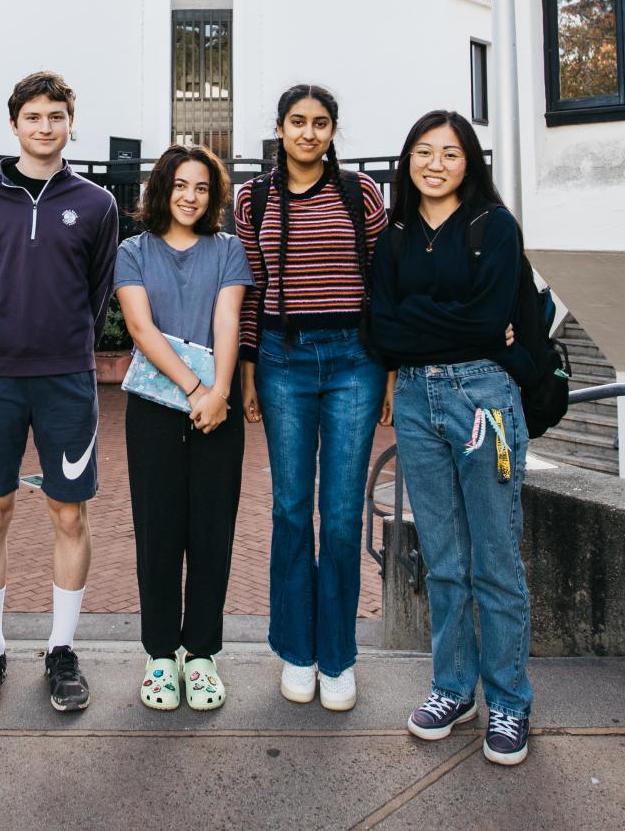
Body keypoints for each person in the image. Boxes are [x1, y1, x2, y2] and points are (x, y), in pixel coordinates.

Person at [370, 110, 534, 766]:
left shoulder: (494, 228)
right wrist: (450, 327)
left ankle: (510, 702)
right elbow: (382, 331)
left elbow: (492, 319)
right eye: (423, 152)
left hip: (481, 401)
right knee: (442, 559)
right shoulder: (396, 237)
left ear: (470, 163)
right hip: (413, 399)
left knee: (495, 559)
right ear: (407, 160)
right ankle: (451, 689)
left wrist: (424, 322)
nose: (434, 164)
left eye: (450, 153)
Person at [0, 71, 119, 716]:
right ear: (14, 123)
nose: (44, 127)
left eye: (56, 116)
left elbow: (98, 290)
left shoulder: (98, 204)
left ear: (70, 123)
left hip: (66, 380)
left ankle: (60, 650)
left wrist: (64, 343)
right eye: (33, 117)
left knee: (69, 513)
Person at [234, 83, 390, 712]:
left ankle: (338, 657)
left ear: (333, 131)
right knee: (293, 510)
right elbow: (248, 287)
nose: (308, 133)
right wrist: (247, 370)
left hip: (355, 360)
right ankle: (297, 653)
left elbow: (383, 282)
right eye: (297, 122)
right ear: (279, 128)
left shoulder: (361, 193)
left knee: (345, 513)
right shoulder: (254, 197)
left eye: (320, 123)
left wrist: (392, 368)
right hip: (282, 359)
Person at [115, 144, 253, 711]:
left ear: (212, 194)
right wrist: (196, 390)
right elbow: (141, 329)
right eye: (180, 186)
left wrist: (220, 393)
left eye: (201, 187)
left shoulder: (228, 250)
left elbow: (228, 318)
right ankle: (158, 656)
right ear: (161, 190)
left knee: (212, 534)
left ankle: (200, 656)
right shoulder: (133, 251)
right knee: (158, 532)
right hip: (155, 409)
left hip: (217, 411)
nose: (190, 197)